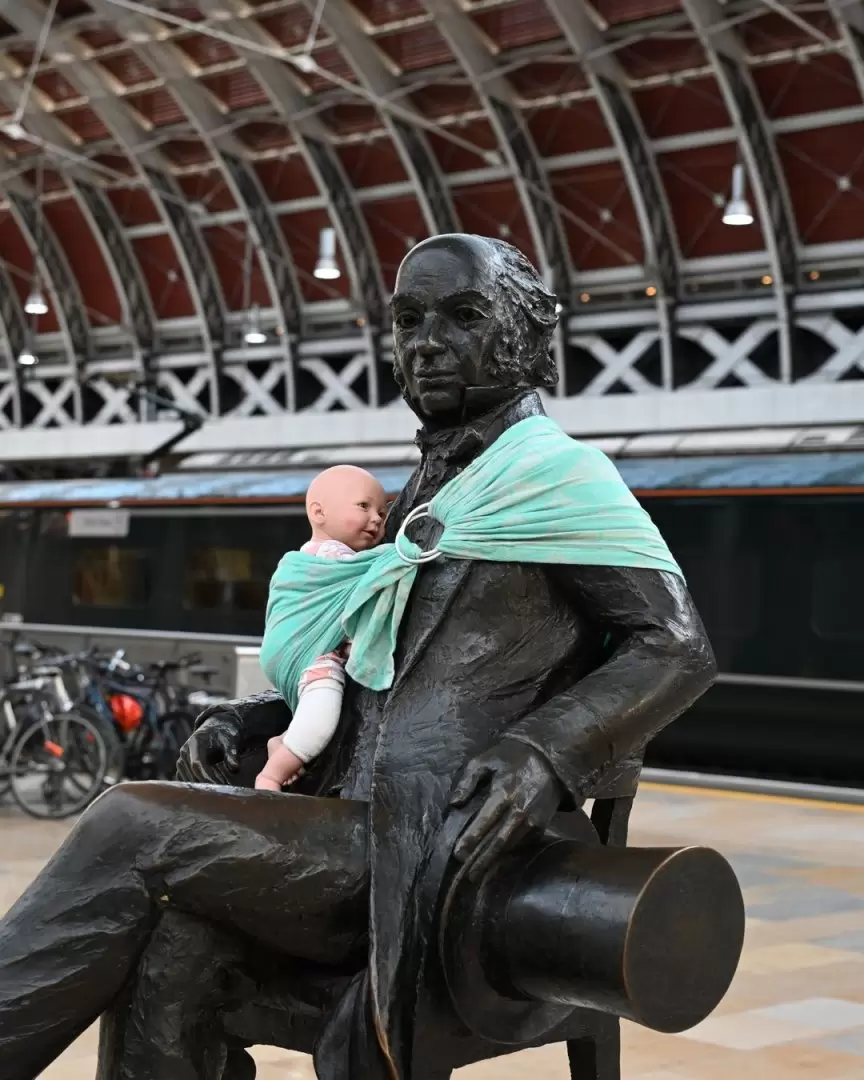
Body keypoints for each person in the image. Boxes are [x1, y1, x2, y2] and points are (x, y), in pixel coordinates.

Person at [0, 234, 716, 1080]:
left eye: (462, 316)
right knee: (173, 949)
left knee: (129, 819)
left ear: (524, 336)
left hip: (445, 845)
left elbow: (675, 644)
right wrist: (261, 716)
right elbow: (377, 667)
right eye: (408, 319)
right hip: (356, 825)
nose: (425, 341)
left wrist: (540, 750)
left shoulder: (561, 479)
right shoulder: (420, 495)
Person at [255, 465, 387, 791]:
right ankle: (271, 775)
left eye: (383, 513)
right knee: (321, 716)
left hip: (290, 650)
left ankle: (283, 742)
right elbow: (377, 572)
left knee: (311, 709)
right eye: (363, 506)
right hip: (311, 654)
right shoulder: (333, 556)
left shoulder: (319, 557)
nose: (376, 519)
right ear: (318, 512)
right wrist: (401, 554)